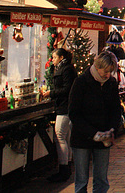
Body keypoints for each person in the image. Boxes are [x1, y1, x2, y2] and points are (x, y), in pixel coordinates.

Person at [69, 51, 121, 193]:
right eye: (106, 71)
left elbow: (116, 110)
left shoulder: (111, 84)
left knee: (101, 178)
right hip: (82, 137)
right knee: (81, 179)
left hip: (104, 137)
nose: (108, 75)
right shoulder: (81, 82)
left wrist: (112, 130)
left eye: (111, 71)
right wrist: (93, 133)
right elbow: (74, 113)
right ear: (97, 67)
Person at [43, 48, 77, 182]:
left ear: (61, 57)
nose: (53, 60)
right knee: (66, 138)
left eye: (54, 58)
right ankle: (66, 167)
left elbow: (67, 89)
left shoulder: (66, 69)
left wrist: (51, 93)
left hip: (64, 107)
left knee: (60, 137)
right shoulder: (66, 68)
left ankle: (64, 168)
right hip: (66, 107)